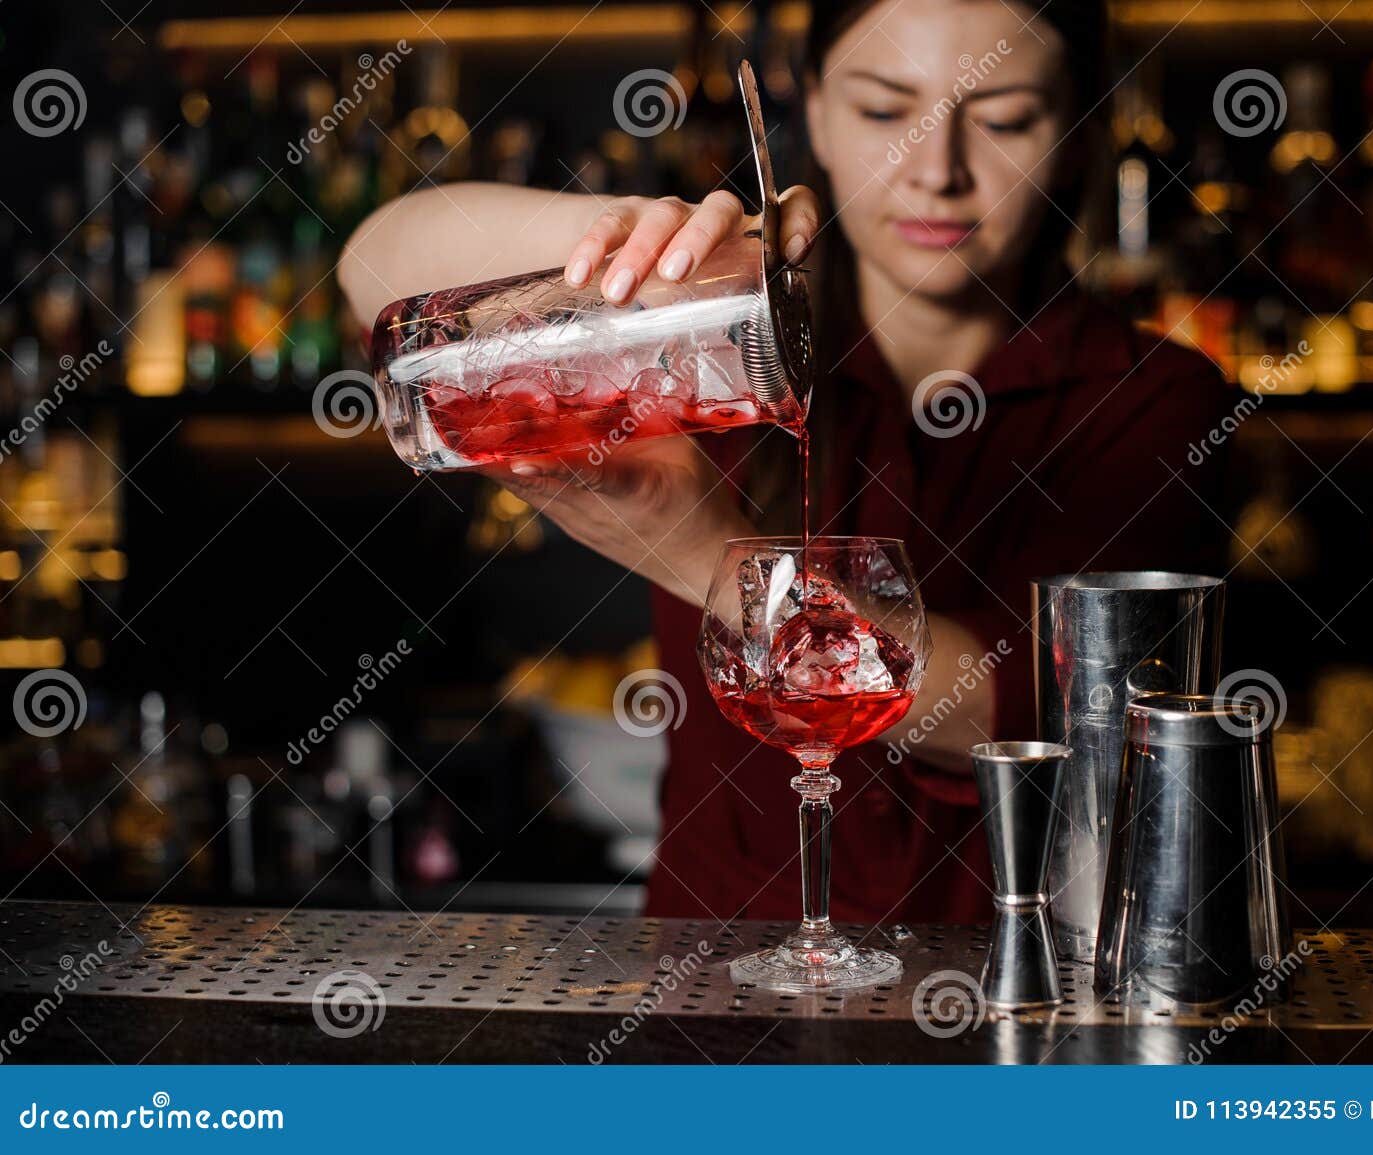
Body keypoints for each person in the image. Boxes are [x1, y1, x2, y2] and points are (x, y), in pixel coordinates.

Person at [339, 0, 1230, 925]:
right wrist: (627, 235)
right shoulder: (720, 335)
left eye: (1004, 120)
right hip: (714, 991)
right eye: (887, 112)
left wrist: (698, 549)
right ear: (816, 111)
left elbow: (1048, 715)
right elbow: (373, 269)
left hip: (1015, 989)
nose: (938, 171)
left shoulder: (1156, 397)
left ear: (1081, 130)